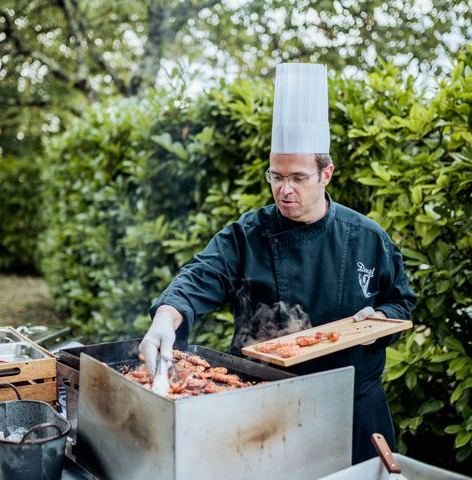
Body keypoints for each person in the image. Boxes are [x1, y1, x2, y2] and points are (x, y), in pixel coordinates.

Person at [139, 63, 416, 464]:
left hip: (354, 410)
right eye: (276, 175)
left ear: (326, 174)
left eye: (299, 178)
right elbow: (198, 278)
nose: (284, 190)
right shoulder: (246, 235)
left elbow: (400, 303)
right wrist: (165, 319)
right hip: (265, 407)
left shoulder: (369, 239)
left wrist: (378, 321)